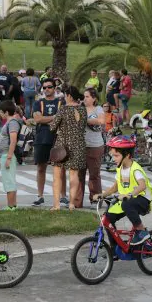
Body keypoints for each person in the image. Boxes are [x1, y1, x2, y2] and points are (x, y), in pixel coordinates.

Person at [93, 135, 152, 246]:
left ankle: (141, 232)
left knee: (127, 204)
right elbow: (115, 187)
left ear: (127, 155)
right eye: (113, 155)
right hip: (127, 200)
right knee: (107, 219)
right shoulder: (120, 168)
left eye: (116, 156)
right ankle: (114, 249)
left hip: (142, 199)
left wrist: (130, 194)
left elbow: (142, 186)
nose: (113, 159)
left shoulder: (135, 169)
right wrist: (102, 195)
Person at [50, 85, 87, 211]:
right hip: (78, 145)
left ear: (69, 96)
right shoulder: (83, 110)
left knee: (57, 175)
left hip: (63, 146)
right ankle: (71, 203)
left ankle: (56, 205)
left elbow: (52, 127)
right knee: (74, 175)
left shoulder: (63, 109)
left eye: (65, 95)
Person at [31, 78, 67, 207]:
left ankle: (63, 196)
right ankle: (40, 196)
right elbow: (37, 119)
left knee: (60, 169)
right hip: (42, 138)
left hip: (58, 138)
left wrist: (45, 118)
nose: (47, 89)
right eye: (44, 87)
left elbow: (64, 118)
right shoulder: (38, 102)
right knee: (41, 168)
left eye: (49, 87)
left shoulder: (61, 102)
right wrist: (55, 118)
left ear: (54, 88)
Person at [75, 88, 104, 208]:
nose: (84, 99)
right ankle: (77, 202)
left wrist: (85, 120)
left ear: (94, 98)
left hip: (95, 146)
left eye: (87, 96)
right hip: (81, 146)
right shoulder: (79, 109)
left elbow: (101, 121)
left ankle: (95, 199)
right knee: (78, 175)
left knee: (94, 174)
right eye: (84, 96)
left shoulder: (98, 109)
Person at [0, 101, 22, 210]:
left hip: (7, 155)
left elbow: (13, 141)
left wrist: (8, 158)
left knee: (9, 181)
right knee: (9, 180)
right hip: (5, 155)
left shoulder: (12, 123)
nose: (0, 114)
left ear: (7, 112)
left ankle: (10, 206)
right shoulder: (9, 123)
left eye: (2, 112)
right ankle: (13, 205)